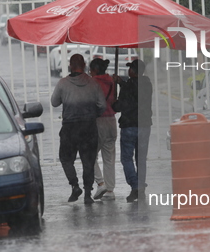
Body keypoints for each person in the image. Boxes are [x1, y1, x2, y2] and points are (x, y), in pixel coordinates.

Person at [51, 54, 106, 204]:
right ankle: (88, 193)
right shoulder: (93, 84)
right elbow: (102, 105)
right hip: (89, 127)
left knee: (65, 158)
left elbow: (54, 102)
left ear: (70, 65)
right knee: (88, 161)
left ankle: (75, 186)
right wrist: (93, 114)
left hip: (69, 128)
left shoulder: (63, 84)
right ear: (85, 65)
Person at [112, 59, 153, 202]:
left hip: (129, 126)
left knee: (126, 158)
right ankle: (140, 186)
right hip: (144, 126)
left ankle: (135, 186)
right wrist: (121, 82)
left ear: (133, 71)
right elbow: (135, 88)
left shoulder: (128, 86)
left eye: (130, 69)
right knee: (141, 159)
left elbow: (119, 106)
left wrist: (114, 102)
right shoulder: (147, 84)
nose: (128, 71)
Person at [89, 58, 117, 201]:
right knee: (109, 157)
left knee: (89, 154)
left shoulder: (92, 83)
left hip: (98, 121)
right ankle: (110, 190)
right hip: (111, 121)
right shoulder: (111, 81)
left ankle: (100, 183)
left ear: (94, 70)